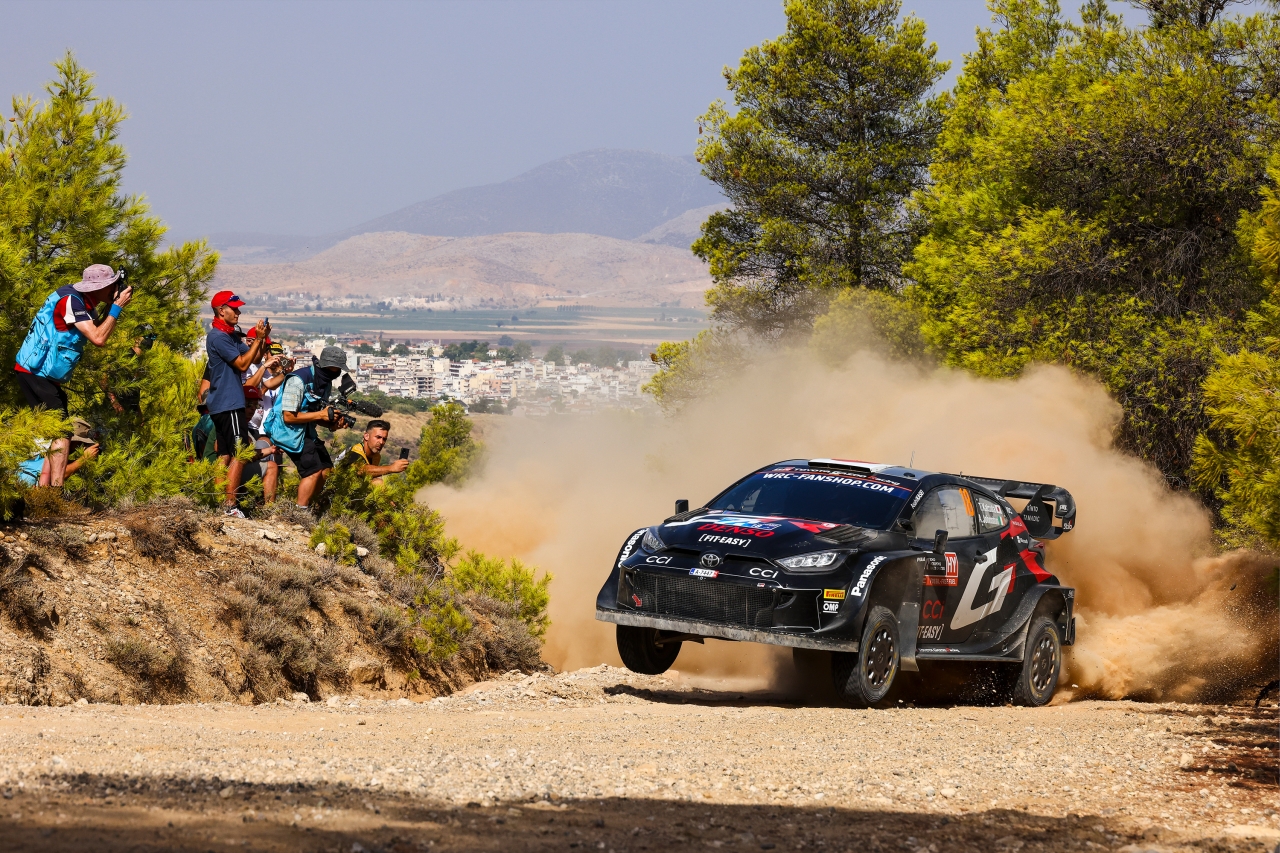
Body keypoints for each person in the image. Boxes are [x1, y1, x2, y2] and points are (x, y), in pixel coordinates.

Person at [13, 264, 132, 486]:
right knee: (61, 432)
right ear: (98, 287)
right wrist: (116, 307)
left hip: (41, 374)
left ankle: (45, 489)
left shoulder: (83, 302)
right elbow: (98, 338)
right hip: (35, 373)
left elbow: (96, 329)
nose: (115, 289)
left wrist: (111, 306)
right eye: (112, 285)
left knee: (58, 432)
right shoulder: (71, 301)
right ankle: (54, 491)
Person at [204, 291, 269, 518]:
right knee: (240, 452)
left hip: (224, 403)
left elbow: (255, 358)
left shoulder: (230, 335)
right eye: (235, 309)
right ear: (222, 311)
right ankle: (230, 506)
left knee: (225, 454)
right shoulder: (218, 337)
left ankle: (217, 502)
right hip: (229, 402)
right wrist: (257, 340)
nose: (239, 312)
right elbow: (242, 364)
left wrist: (262, 339)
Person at [263, 345, 347, 510]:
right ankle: (300, 513)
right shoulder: (298, 380)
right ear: (327, 365)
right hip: (287, 432)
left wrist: (332, 424)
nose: (338, 372)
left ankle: (312, 507)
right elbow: (288, 416)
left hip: (306, 431)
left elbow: (316, 414)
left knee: (326, 470)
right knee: (313, 470)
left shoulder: (324, 383)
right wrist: (320, 415)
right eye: (336, 368)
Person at [16, 419, 100, 487]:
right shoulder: (46, 448)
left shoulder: (44, 442)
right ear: (73, 441)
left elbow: (59, 464)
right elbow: (58, 474)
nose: (78, 447)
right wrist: (84, 459)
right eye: (80, 443)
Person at [338, 419, 409, 486]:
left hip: (356, 487)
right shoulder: (355, 452)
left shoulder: (376, 456)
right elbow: (360, 470)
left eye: (384, 439)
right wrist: (391, 468)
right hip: (338, 488)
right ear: (366, 436)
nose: (381, 442)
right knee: (378, 483)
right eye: (378, 437)